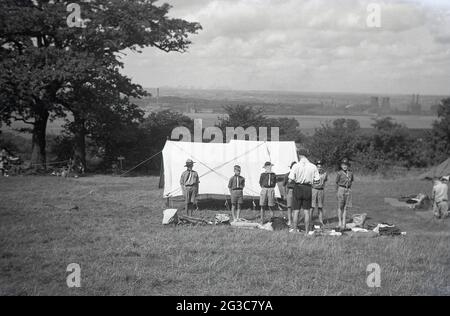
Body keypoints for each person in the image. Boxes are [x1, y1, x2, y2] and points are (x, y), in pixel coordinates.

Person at [288, 149, 320, 235]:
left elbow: (290, 179)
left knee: (296, 211)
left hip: (298, 187)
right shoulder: (313, 166)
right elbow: (317, 181)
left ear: (299, 155)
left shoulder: (296, 166)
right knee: (306, 211)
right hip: (308, 188)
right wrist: (311, 183)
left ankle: (294, 230)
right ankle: (306, 232)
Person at [335, 158, 354, 230]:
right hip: (341, 189)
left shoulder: (351, 173)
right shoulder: (339, 173)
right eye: (343, 165)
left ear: (348, 165)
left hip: (348, 189)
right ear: (341, 165)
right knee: (340, 206)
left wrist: (349, 189)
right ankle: (339, 222)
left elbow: (351, 181)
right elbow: (336, 182)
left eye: (346, 165)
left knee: (346, 207)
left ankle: (344, 222)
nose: (344, 166)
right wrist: (337, 192)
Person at [311, 160, 328, 227]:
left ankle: (321, 221)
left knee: (320, 207)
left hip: (321, 190)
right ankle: (310, 220)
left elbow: (325, 180)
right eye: (318, 166)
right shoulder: (313, 173)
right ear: (316, 167)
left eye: (320, 166)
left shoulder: (324, 173)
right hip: (314, 190)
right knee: (312, 206)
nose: (319, 168)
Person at [283, 162, 297, 227]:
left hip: (296, 191)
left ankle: (295, 221)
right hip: (289, 191)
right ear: (291, 167)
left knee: (295, 207)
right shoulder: (287, 175)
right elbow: (284, 185)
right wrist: (285, 194)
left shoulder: (298, 174)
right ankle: (289, 220)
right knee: (289, 207)